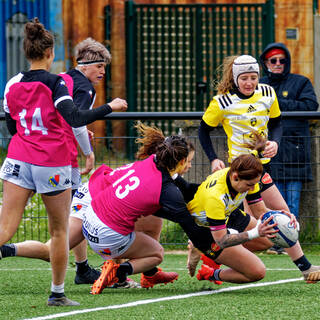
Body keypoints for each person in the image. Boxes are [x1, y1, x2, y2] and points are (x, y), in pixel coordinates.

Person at [0, 18, 127, 307]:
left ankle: (77, 273)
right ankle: (57, 293)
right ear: (50, 53)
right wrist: (111, 107)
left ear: (27, 51)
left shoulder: (13, 82)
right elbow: (76, 118)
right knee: (59, 231)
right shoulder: (56, 81)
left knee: (4, 228)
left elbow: (12, 126)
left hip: (18, 156)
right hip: (51, 162)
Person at [193, 54, 320, 281]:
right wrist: (213, 158)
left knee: (283, 215)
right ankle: (305, 267)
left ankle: (304, 267)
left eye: (253, 77)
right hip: (241, 174)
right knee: (262, 227)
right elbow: (203, 130)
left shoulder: (268, 93)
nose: (249, 82)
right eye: (244, 78)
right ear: (235, 79)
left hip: (262, 169)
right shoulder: (222, 102)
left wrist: (275, 143)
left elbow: (277, 122)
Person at [259, 43, 318, 222]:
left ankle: (290, 240)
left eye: (282, 60)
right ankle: (274, 239)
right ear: (266, 63)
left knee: (291, 203)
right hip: (268, 151)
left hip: (295, 151)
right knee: (271, 201)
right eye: (273, 60)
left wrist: (278, 104)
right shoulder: (259, 84)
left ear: (287, 62)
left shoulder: (301, 82)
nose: (278, 63)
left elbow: (311, 105)